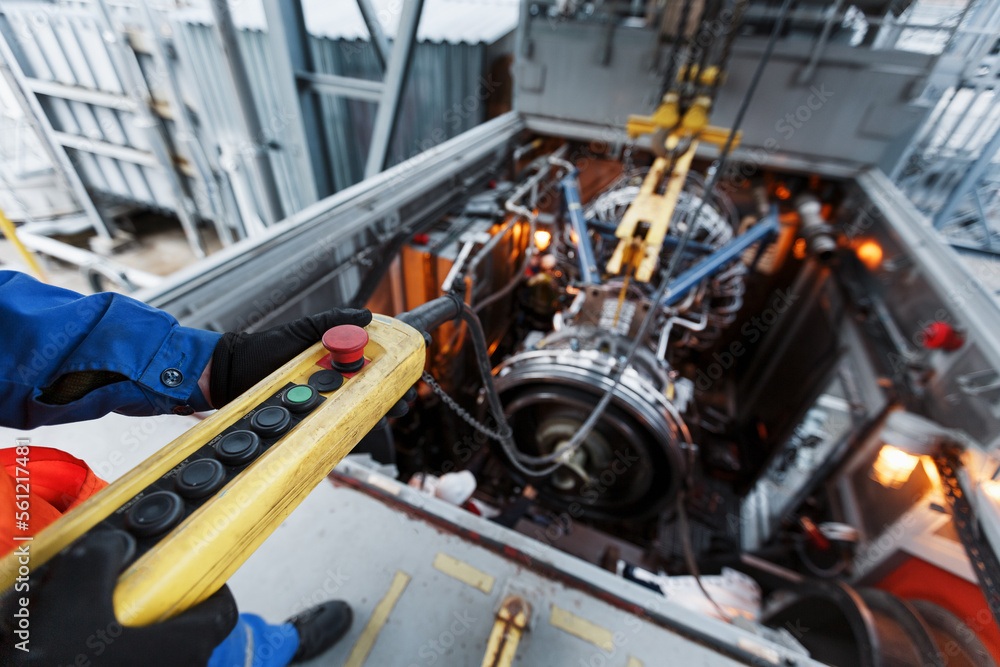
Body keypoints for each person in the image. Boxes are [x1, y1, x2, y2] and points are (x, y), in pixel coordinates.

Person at [0, 269, 368, 666]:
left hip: (42, 524)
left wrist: (211, 368)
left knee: (193, 626)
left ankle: (269, 649)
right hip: (35, 633)